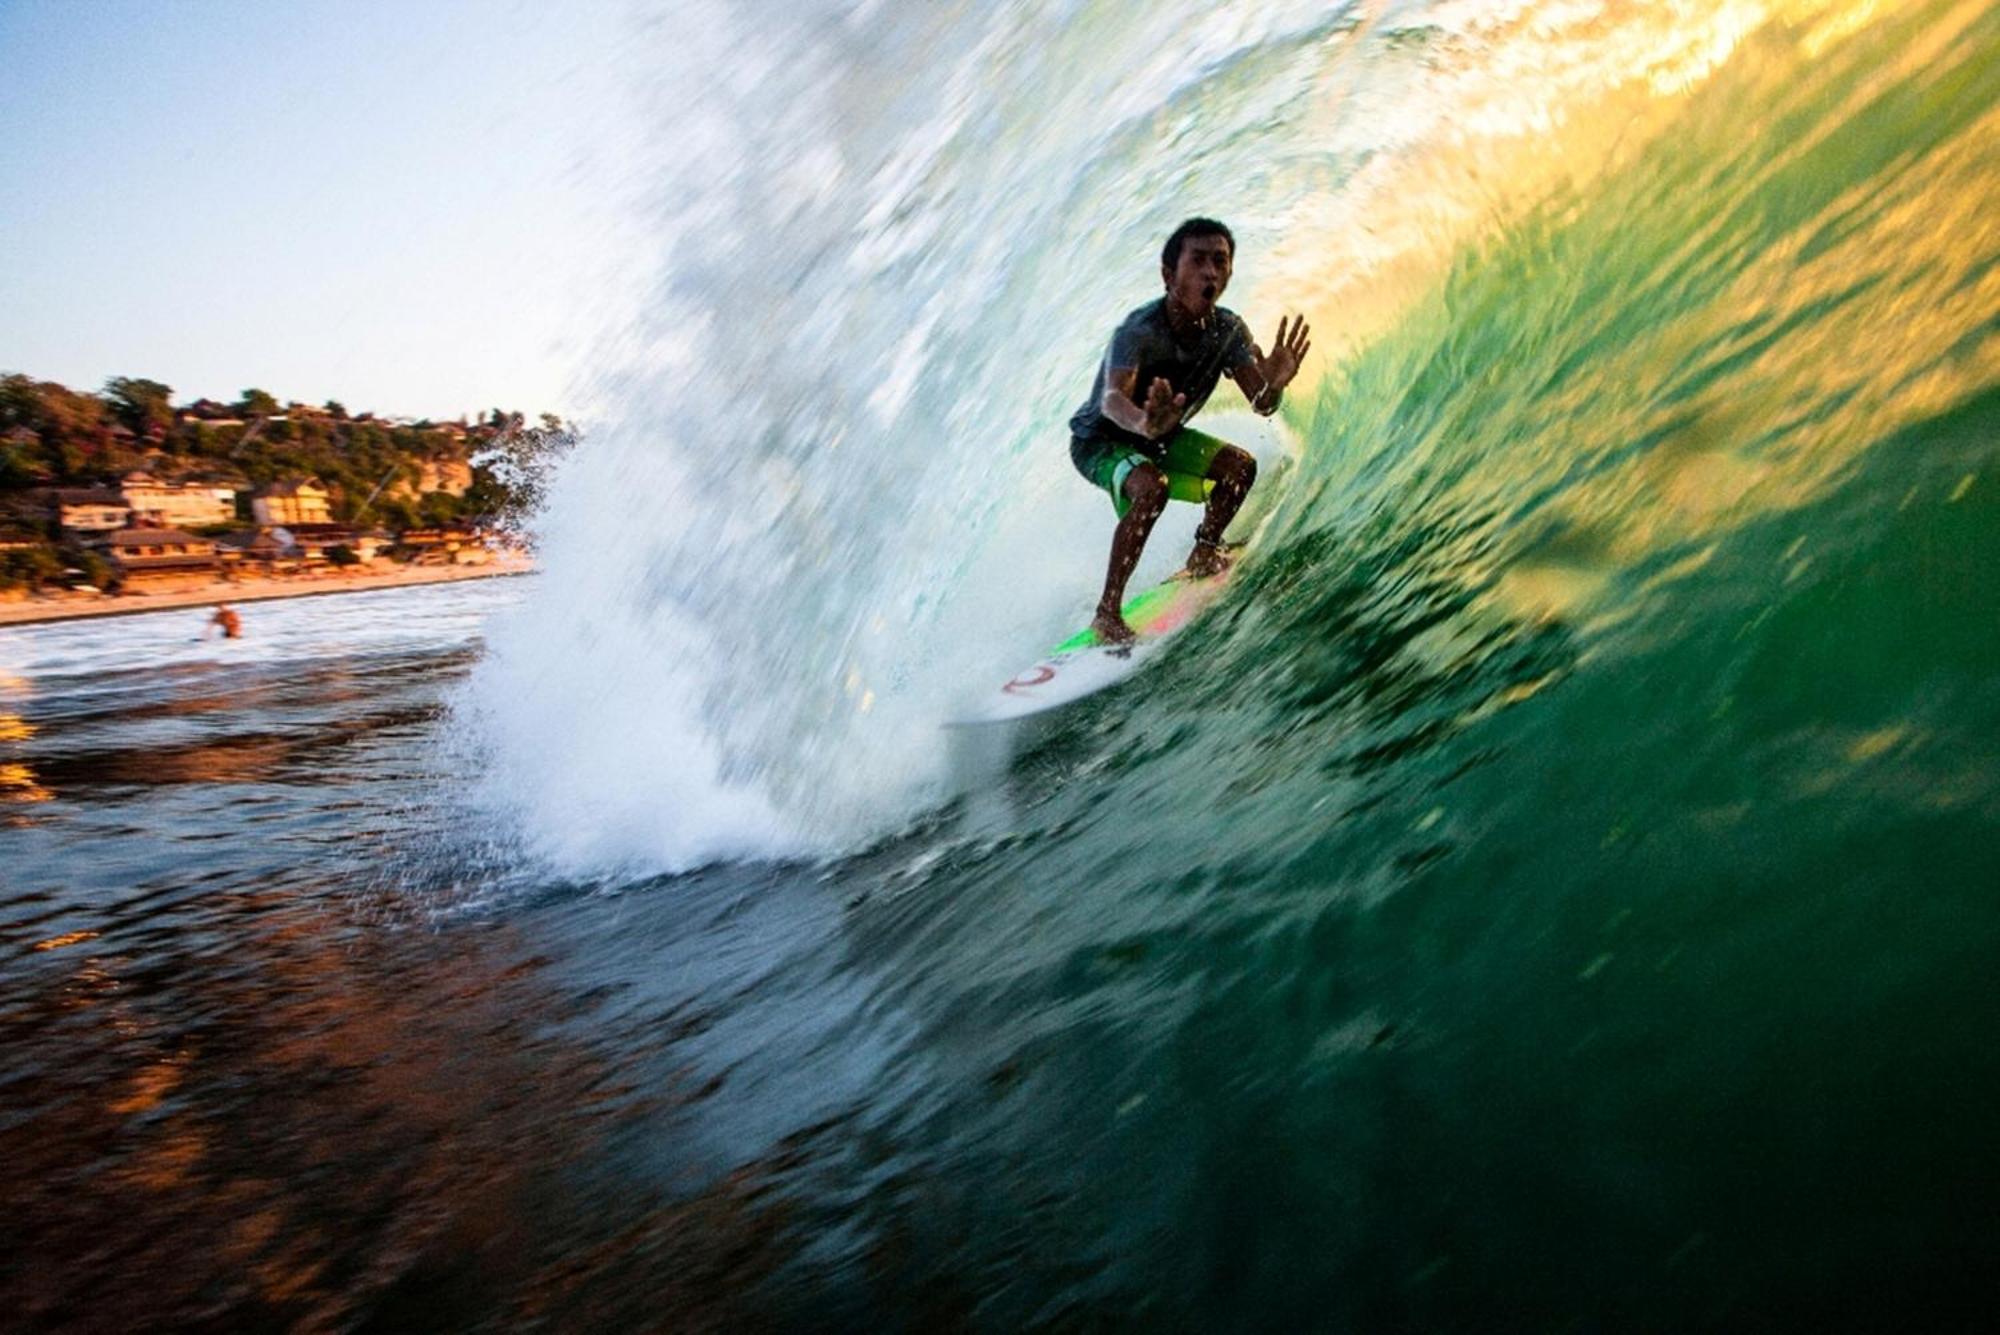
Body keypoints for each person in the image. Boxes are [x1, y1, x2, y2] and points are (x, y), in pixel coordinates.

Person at [1068, 217, 1311, 644]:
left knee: (1239, 468)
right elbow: (1111, 399)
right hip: (1100, 441)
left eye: (1220, 261)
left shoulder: (1229, 330)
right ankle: (1107, 614)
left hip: (1160, 435)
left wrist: (1273, 384)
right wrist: (1143, 422)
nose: (1210, 271)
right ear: (1168, 275)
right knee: (1152, 487)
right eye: (1197, 261)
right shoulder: (1138, 331)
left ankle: (1204, 550)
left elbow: (1261, 404)